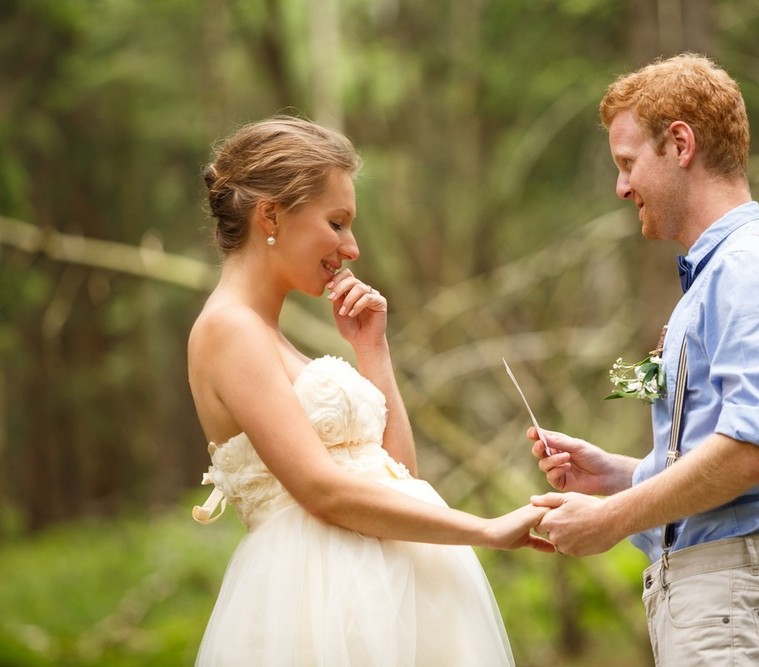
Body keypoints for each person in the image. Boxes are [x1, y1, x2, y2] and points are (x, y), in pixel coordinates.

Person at [188, 115, 552, 666]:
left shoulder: (271, 339)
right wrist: (487, 529)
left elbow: (401, 475)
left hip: (386, 597)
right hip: (316, 609)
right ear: (271, 216)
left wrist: (372, 350)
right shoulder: (229, 330)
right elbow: (322, 492)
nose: (351, 248)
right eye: (337, 223)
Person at [528, 53, 759, 666]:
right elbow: (738, 462)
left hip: (740, 609)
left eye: (627, 162)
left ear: (680, 144)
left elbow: (755, 447)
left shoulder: (747, 267)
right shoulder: (725, 273)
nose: (621, 187)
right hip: (732, 608)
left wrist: (613, 518)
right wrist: (621, 475)